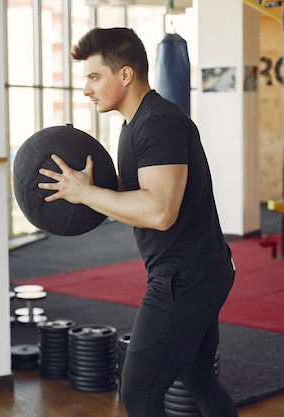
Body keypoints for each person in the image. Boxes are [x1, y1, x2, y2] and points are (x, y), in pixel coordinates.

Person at [38, 28, 238, 417]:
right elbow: (132, 200)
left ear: (125, 74)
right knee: (199, 377)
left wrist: (84, 193)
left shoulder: (157, 123)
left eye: (94, 77)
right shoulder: (134, 124)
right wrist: (92, 190)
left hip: (185, 277)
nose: (86, 89)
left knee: (139, 394)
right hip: (196, 270)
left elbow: (160, 212)